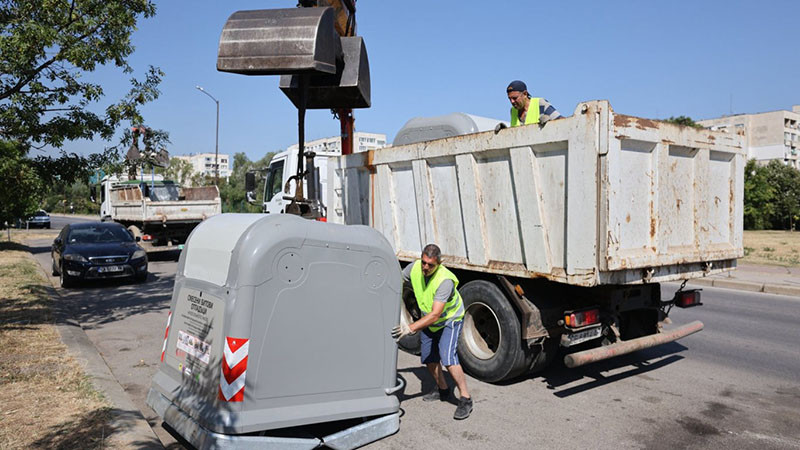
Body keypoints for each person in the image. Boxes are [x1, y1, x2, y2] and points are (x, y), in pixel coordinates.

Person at [391, 244, 473, 420]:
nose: (426, 267)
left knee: (448, 357)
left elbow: (436, 314)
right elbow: (396, 280)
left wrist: (410, 327)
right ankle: (443, 390)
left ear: (439, 264)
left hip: (449, 320)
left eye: (431, 265)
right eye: (424, 262)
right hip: (430, 319)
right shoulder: (414, 268)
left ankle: (466, 398)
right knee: (428, 357)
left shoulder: (444, 281)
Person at [495, 80, 561, 133]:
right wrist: (504, 131)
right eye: (510, 99)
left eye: (515, 98)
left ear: (525, 94)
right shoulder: (513, 111)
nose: (512, 101)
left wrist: (550, 122)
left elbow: (564, 122)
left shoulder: (540, 103)